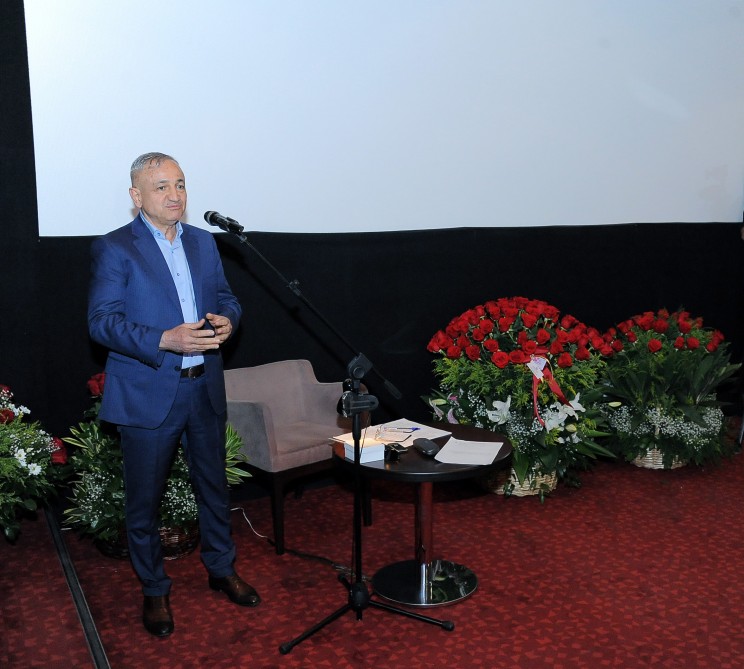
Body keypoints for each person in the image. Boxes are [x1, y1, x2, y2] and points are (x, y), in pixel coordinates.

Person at [88, 152, 260, 637]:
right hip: (148, 392)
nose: (174, 195)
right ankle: (154, 589)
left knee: (214, 488)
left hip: (203, 387)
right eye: (161, 186)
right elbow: (101, 322)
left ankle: (221, 569)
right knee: (144, 502)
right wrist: (164, 339)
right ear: (136, 195)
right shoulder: (115, 247)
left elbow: (226, 298)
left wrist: (228, 320)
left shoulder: (203, 242)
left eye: (180, 184)